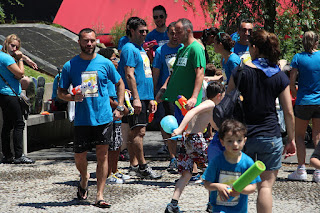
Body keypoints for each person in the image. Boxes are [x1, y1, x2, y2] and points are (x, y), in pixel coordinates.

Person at [226, 29, 296, 213]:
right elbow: (288, 111)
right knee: (265, 186)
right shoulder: (279, 76)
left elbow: (227, 101)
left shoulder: (240, 71)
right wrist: (291, 139)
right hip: (270, 136)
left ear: (255, 48)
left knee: (238, 184)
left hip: (242, 137)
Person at [58, 28, 125, 208]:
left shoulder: (105, 63)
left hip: (103, 118)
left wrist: (119, 106)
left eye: (92, 41)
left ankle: (100, 195)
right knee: (80, 157)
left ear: (96, 42)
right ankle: (84, 177)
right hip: (82, 119)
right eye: (86, 41)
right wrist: (72, 97)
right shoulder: (70, 66)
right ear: (79, 42)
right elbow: (61, 92)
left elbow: (119, 83)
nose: (89, 44)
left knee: (102, 155)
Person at [158, 18, 206, 182]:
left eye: (178, 31)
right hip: (178, 101)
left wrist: (194, 97)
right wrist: (163, 90)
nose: (175, 35)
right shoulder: (182, 50)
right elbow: (174, 74)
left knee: (193, 137)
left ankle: (205, 170)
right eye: (174, 32)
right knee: (185, 137)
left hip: (189, 102)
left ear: (188, 31)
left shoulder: (196, 48)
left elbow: (200, 73)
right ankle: (191, 172)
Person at [164, 81, 225, 213]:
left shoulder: (208, 106)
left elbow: (213, 124)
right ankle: (212, 205)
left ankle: (173, 204)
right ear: (219, 95)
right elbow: (191, 112)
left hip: (187, 140)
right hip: (195, 139)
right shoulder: (210, 104)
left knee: (186, 174)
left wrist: (225, 132)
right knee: (211, 171)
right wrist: (180, 128)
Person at [117, 17, 161, 179]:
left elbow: (145, 75)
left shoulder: (140, 49)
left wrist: (150, 98)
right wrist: (136, 98)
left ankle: (134, 165)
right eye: (141, 31)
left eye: (146, 31)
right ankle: (143, 166)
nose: (144, 34)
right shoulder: (129, 48)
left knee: (135, 131)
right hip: (137, 96)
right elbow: (129, 74)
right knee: (139, 131)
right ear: (132, 31)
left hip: (144, 95)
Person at [203, 119, 261, 213]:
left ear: (244, 140)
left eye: (239, 140)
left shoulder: (248, 162)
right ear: (222, 142)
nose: (235, 144)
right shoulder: (217, 161)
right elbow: (207, 183)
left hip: (239, 210)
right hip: (219, 209)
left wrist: (241, 189)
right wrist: (218, 186)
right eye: (230, 141)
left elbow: (252, 187)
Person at [288, 31, 320, 181]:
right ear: (316, 42)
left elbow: (292, 80)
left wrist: (295, 94)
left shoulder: (297, 58)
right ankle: (318, 170)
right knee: (317, 135)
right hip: (319, 101)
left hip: (303, 101)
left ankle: (301, 168)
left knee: (300, 135)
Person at [152, 21, 183, 171]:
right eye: (171, 33)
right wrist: (154, 93)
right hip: (167, 94)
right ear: (167, 34)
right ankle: (173, 157)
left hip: (184, 93)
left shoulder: (185, 48)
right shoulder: (161, 51)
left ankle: (186, 157)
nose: (174, 36)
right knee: (168, 124)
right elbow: (156, 72)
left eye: (177, 33)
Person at [0, 35, 35, 164]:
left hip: (3, 94)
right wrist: (20, 60)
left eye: (17, 47)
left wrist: (27, 58)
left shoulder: (1, 52)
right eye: (12, 45)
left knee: (8, 125)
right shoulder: (7, 58)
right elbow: (20, 74)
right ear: (6, 43)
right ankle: (19, 155)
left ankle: (7, 155)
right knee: (19, 123)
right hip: (10, 94)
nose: (14, 49)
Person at [97, 47, 130, 184]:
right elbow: (109, 99)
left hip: (116, 116)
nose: (117, 61)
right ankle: (109, 173)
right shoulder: (108, 78)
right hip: (110, 115)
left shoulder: (114, 75)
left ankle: (115, 170)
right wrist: (121, 108)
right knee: (111, 146)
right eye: (114, 58)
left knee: (117, 144)